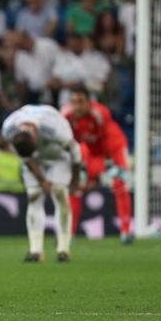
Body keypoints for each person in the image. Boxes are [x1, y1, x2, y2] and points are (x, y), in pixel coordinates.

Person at [2, 104, 81, 263]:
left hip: (58, 155)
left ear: (35, 136)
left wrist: (75, 180)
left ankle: (63, 249)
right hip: (33, 159)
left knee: (60, 193)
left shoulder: (55, 129)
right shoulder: (9, 129)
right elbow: (26, 157)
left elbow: (75, 150)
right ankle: (35, 250)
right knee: (34, 196)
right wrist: (42, 181)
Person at [63, 86, 133, 243]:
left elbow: (103, 142)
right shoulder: (66, 115)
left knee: (120, 183)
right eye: (74, 102)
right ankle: (69, 233)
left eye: (81, 102)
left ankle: (126, 231)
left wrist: (99, 175)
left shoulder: (100, 114)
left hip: (112, 148)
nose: (77, 106)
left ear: (90, 102)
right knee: (76, 187)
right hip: (90, 151)